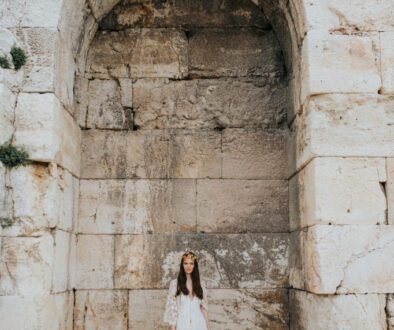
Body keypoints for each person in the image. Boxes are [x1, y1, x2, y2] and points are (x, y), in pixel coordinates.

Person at [163, 250, 210, 330]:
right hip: (182, 325)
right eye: (186, 263)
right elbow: (173, 310)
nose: (188, 266)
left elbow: (203, 308)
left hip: (199, 325)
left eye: (191, 263)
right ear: (182, 265)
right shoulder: (175, 284)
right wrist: (173, 328)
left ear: (195, 266)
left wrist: (208, 328)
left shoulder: (201, 284)